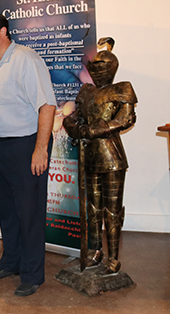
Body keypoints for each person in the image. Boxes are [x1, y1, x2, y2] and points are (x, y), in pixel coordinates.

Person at [0, 12, 56, 296]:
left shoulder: (25, 59)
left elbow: (47, 105)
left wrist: (40, 149)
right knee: (7, 210)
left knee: (29, 212)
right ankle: (11, 261)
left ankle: (33, 274)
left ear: (4, 31)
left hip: (26, 145)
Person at [63, 37, 137, 274]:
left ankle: (113, 258)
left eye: (101, 67)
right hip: (90, 155)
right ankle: (95, 251)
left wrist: (93, 130)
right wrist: (70, 124)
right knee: (93, 209)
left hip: (112, 155)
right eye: (93, 67)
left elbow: (125, 119)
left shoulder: (122, 88)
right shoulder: (86, 91)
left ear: (111, 67)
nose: (96, 71)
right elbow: (76, 116)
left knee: (112, 210)